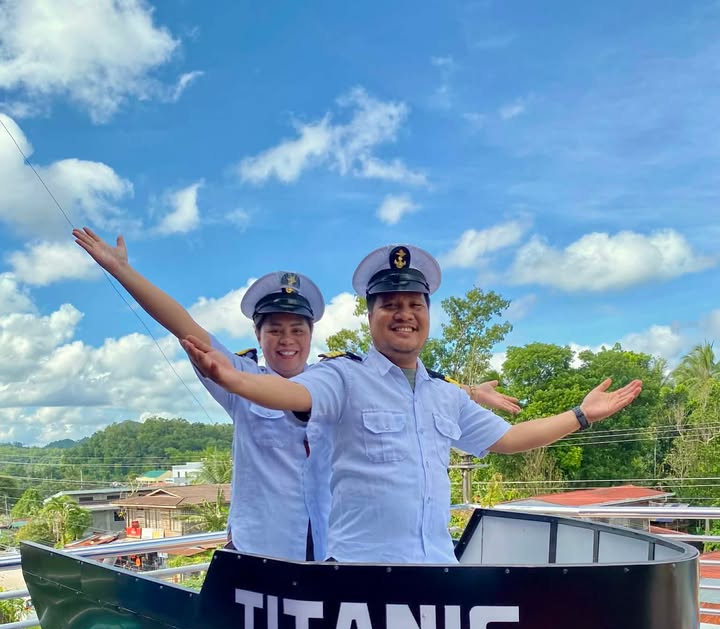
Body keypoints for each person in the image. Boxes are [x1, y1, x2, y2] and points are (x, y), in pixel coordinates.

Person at [183, 244, 643, 565]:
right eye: (390, 304)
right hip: (360, 575)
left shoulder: (444, 393)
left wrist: (581, 415)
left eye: (414, 304)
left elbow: (509, 438)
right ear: (370, 316)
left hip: (436, 570)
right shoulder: (344, 377)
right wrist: (233, 380)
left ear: (427, 314)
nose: (404, 313)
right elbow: (293, 394)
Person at [73, 230, 517, 560]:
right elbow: (186, 327)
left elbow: (402, 388)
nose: (287, 341)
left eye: (297, 330)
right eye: (275, 331)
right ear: (258, 336)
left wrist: (468, 391)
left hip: (327, 549)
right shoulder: (243, 379)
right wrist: (123, 271)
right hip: (262, 549)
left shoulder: (335, 382)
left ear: (310, 335)